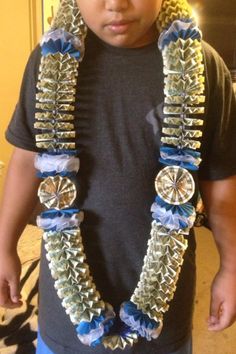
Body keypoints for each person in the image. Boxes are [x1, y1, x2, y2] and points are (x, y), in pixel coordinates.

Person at [0, 0, 236, 353]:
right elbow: (27, 159)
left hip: (163, 315)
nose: (115, 4)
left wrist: (230, 269)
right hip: (66, 315)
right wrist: (5, 246)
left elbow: (220, 186)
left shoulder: (201, 67)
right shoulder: (50, 62)